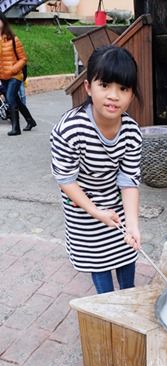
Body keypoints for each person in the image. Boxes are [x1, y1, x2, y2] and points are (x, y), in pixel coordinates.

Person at [50, 45, 142, 294]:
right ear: (89, 87)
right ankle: (106, 303)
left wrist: (132, 223)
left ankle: (129, 295)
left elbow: (129, 180)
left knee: (125, 251)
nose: (113, 96)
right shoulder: (69, 129)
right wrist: (95, 211)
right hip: (82, 205)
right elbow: (65, 179)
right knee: (98, 260)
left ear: (131, 94)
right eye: (105, 86)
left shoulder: (132, 132)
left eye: (123, 89)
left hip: (115, 203)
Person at [0, 12, 36, 136]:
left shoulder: (13, 39)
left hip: (15, 75)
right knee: (16, 100)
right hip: (3, 76)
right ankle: (30, 121)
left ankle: (16, 128)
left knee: (10, 98)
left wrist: (13, 69)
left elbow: (23, 59)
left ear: (3, 21)